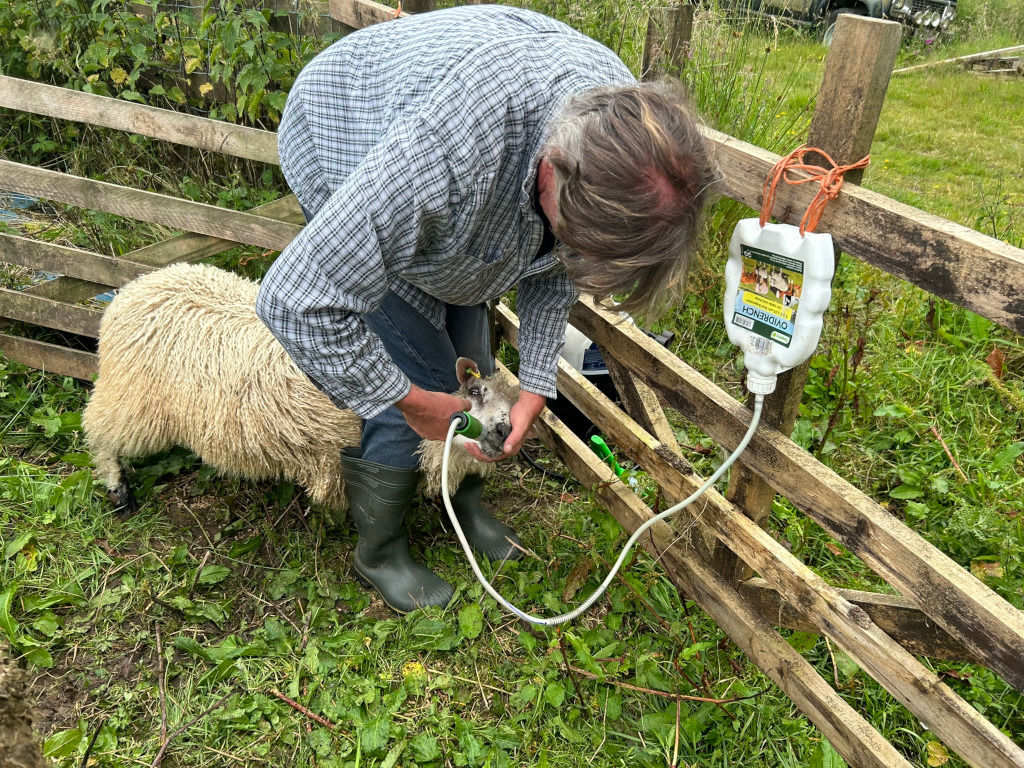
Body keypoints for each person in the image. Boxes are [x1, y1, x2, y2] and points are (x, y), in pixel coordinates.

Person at [255, 4, 718, 614]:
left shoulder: (622, 128)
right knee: (421, 371)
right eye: (580, 237)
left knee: (473, 364)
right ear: (553, 173)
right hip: (343, 133)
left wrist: (536, 385)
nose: (577, 256)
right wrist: (415, 404)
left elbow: (558, 260)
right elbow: (294, 299)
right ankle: (381, 548)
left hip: (477, 183)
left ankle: (462, 498)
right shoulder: (449, 149)